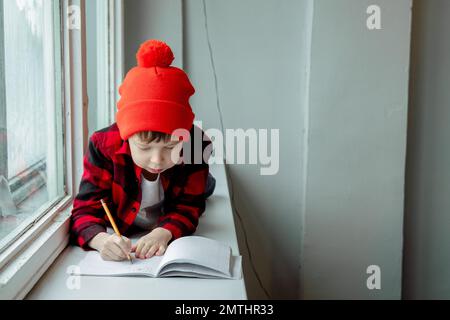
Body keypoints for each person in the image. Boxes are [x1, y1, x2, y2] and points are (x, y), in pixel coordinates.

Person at [69, 39, 216, 262]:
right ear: (127, 136)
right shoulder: (103, 146)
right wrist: (101, 241)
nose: (157, 160)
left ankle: (207, 180)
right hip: (127, 216)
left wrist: (162, 232)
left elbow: (190, 206)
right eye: (145, 147)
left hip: (186, 186)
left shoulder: (196, 144)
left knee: (205, 188)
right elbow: (84, 211)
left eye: (170, 147)